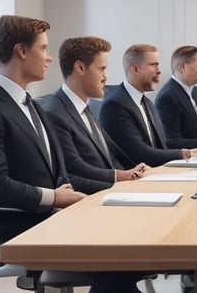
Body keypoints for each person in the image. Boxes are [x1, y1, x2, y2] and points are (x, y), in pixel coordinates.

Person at [0, 15, 141, 292]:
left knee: (130, 238)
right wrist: (55, 197)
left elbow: (61, 169)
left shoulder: (32, 104)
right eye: (43, 48)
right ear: (21, 51)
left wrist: (74, 193)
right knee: (118, 251)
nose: (50, 57)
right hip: (18, 227)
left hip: (50, 216)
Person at [42, 36, 148, 195]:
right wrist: (121, 180)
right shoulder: (54, 113)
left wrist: (134, 173)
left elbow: (110, 158)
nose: (106, 76)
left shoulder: (88, 107)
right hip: (89, 204)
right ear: (80, 68)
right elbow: (73, 168)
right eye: (101, 69)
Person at [99, 44, 192, 167]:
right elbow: (139, 154)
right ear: (136, 69)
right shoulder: (115, 105)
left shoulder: (146, 102)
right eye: (153, 65)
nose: (159, 71)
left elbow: (160, 146)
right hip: (135, 179)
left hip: (156, 172)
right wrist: (182, 154)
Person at [155, 45, 197, 148]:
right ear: (182, 67)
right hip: (188, 159)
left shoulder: (195, 91)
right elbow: (172, 142)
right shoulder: (168, 97)